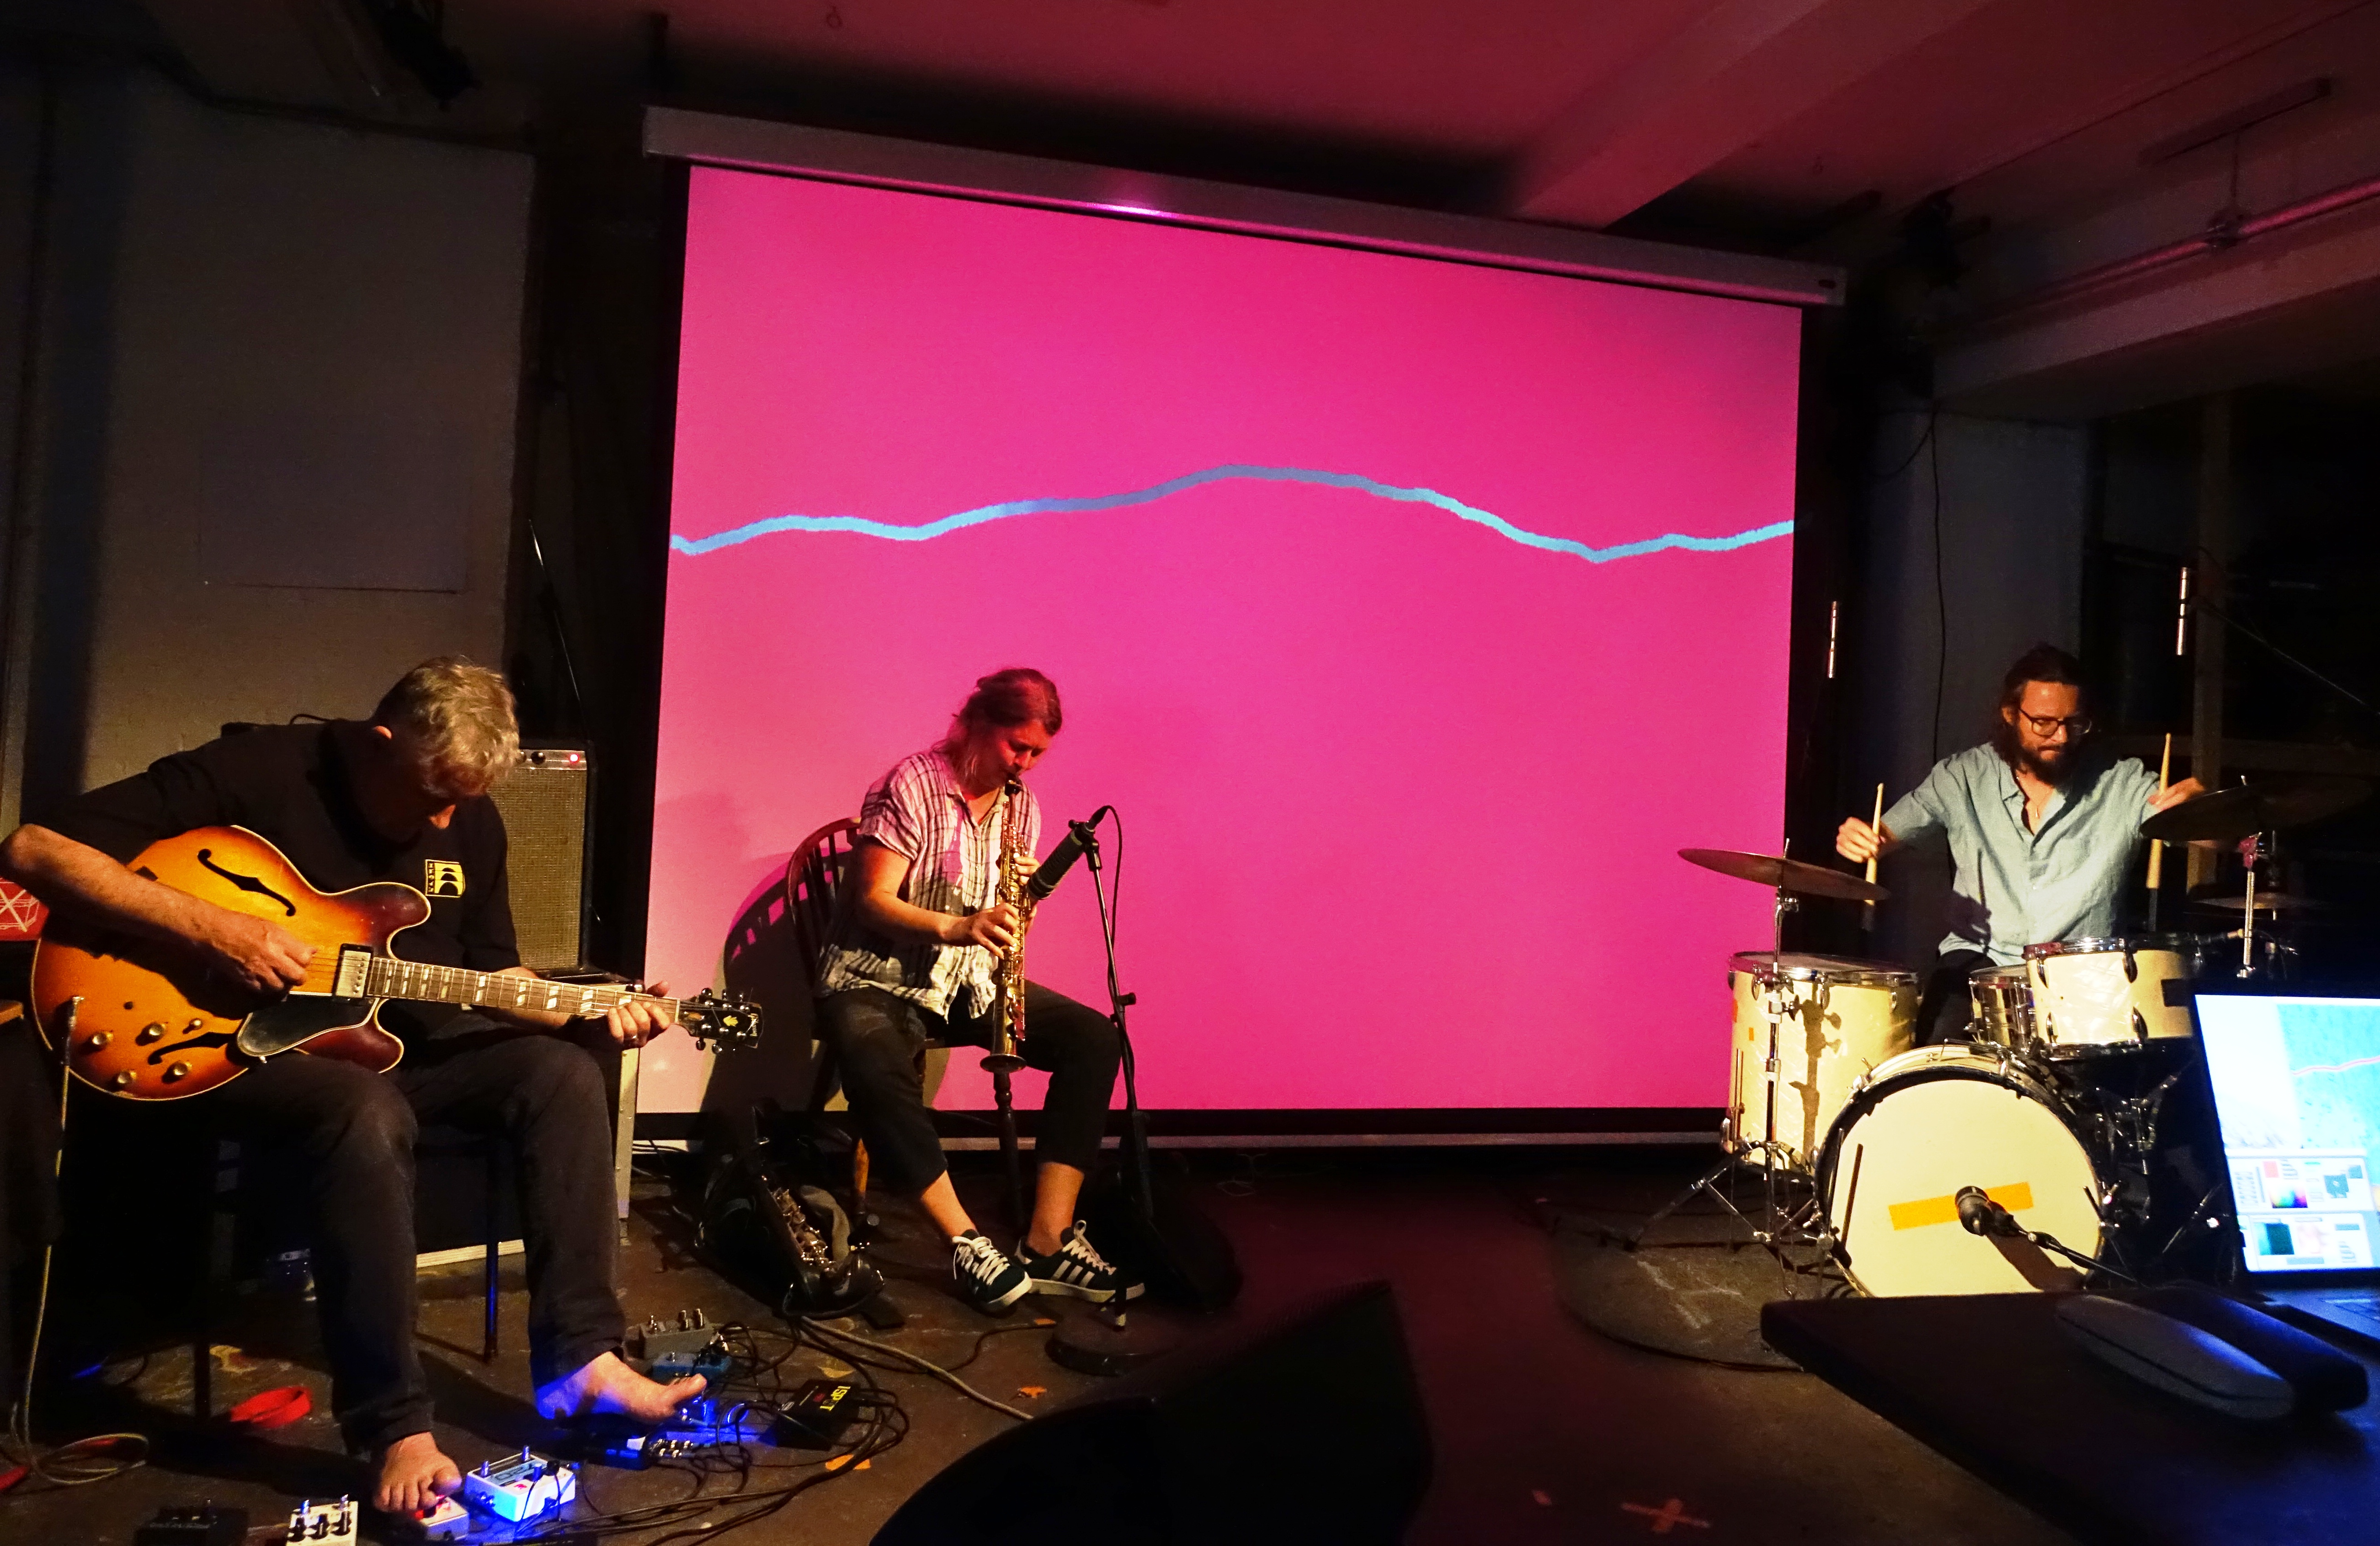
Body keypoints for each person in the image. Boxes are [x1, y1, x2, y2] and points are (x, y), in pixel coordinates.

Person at [0, 659, 698, 1514]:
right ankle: (392, 1424)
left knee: (558, 1073)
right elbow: (34, 849)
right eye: (432, 791)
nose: (445, 817)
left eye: (462, 799)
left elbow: (490, 974)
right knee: (358, 1107)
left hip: (373, 1050)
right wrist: (216, 927)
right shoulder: (262, 770)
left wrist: (588, 1011)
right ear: (379, 742)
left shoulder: (470, 824)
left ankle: (582, 1360)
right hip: (213, 1051)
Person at [816, 667, 1140, 1313]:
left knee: (1093, 1039)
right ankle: (964, 1240)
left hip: (962, 980)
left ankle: (1047, 1238)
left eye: (1036, 754)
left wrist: (1022, 901)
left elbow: (1007, 916)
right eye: (1014, 747)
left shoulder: (1022, 804)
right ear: (974, 724)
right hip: (875, 973)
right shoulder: (910, 784)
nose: (1024, 764)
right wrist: (959, 925)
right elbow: (872, 900)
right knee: (876, 1067)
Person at [1836, 644, 2204, 1045]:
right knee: (1939, 1064)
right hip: (1980, 962)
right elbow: (1884, 835)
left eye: (2075, 723)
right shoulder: (1962, 776)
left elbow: (2211, 835)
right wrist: (1861, 838)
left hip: (2082, 971)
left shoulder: (2122, 783)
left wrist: (2209, 812)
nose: (2061, 737)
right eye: (2043, 723)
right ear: (2011, 715)